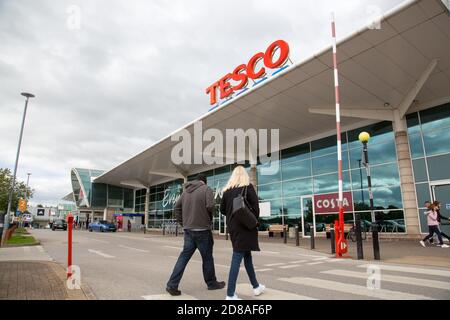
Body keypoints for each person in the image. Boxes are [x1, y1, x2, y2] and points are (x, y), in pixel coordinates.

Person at [166, 174, 225, 296]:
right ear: (204, 181)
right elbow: (210, 205)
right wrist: (208, 219)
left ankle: (172, 285)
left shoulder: (186, 192)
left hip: (189, 231)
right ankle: (211, 283)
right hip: (203, 230)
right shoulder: (206, 189)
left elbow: (176, 208)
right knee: (207, 258)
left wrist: (184, 223)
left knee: (183, 258)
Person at [220, 166, 265, 300]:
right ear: (245, 176)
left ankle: (256, 286)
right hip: (246, 228)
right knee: (237, 258)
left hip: (233, 229)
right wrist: (250, 219)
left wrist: (232, 214)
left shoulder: (227, 191)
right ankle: (230, 294)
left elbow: (222, 210)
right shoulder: (248, 187)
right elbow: (256, 209)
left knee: (247, 257)